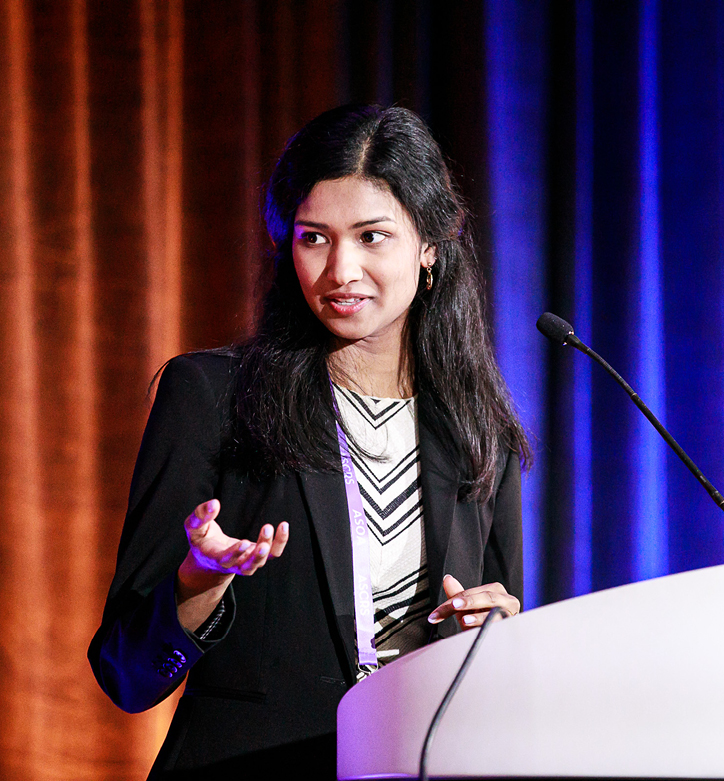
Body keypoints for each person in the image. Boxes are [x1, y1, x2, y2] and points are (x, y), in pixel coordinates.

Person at [89, 104, 529, 780]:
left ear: (431, 243)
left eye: (371, 236)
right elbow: (126, 673)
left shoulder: (477, 429)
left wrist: (499, 640)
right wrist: (198, 584)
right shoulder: (211, 396)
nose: (340, 270)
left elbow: (491, 668)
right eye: (314, 238)